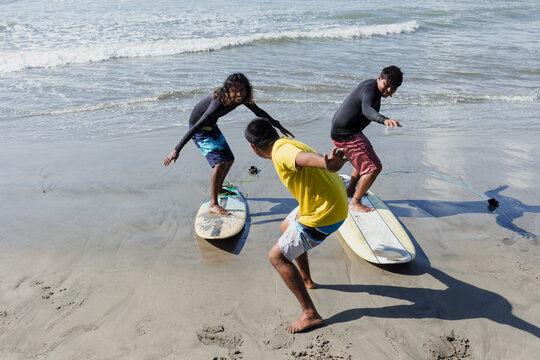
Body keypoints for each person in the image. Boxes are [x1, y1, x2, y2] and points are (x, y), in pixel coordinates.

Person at [244, 117, 348, 333]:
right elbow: (301, 156)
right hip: (329, 203)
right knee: (286, 227)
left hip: (325, 214)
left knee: (277, 257)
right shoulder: (286, 143)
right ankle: (306, 279)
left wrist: (326, 163)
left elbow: (303, 159)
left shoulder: (282, 152)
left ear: (253, 147)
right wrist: (327, 164)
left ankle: (310, 314)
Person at [163, 73, 294, 215]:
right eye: (235, 90)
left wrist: (278, 126)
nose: (239, 94)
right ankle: (213, 204)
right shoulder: (217, 103)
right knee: (219, 163)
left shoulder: (242, 99)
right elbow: (198, 125)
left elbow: (258, 112)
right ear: (227, 89)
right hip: (199, 130)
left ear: (247, 90)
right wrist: (177, 149)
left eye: (242, 90)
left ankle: (219, 188)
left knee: (229, 159)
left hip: (212, 128)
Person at [331, 65, 403, 212]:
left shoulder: (373, 87)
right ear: (379, 78)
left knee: (366, 160)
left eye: (393, 88)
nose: (388, 90)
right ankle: (354, 203)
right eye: (386, 85)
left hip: (349, 132)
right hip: (346, 135)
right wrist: (384, 120)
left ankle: (351, 191)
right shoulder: (370, 90)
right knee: (374, 167)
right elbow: (367, 110)